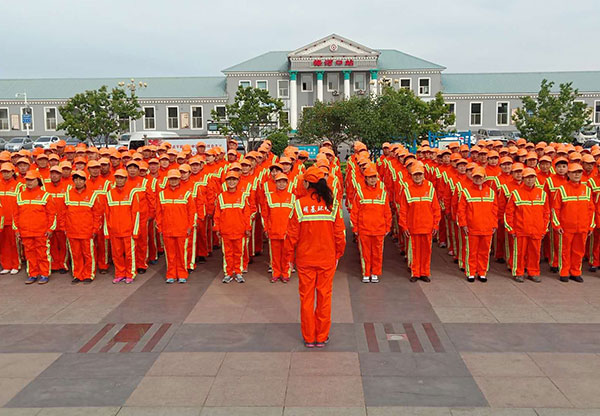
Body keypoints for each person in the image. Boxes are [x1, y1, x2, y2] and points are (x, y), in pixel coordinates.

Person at [285, 166, 345, 348]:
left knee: (306, 299)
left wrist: (289, 259)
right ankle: (322, 336)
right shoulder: (332, 205)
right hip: (327, 258)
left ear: (306, 183)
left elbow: (291, 236)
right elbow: (340, 234)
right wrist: (338, 253)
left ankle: (309, 337)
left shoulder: (299, 205)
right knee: (325, 297)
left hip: (305, 259)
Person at [504, 168, 550, 282]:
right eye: (527, 178)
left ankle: (533, 272)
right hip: (521, 230)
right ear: (523, 179)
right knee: (519, 253)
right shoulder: (516, 193)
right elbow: (509, 213)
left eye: (532, 177)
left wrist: (544, 229)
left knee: (535, 253)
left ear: (535, 178)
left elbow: (546, 213)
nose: (530, 180)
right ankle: (518, 272)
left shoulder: (542, 194)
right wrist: (511, 229)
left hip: (537, 230)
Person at [397, 161, 441, 282]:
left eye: (420, 174)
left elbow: (436, 208)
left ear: (423, 175)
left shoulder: (430, 187)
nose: (417, 177)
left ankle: (425, 272)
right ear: (411, 175)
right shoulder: (407, 189)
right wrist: (404, 226)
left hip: (427, 226)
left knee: (426, 251)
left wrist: (436, 225)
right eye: (415, 174)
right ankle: (415, 273)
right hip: (413, 227)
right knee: (414, 251)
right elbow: (403, 210)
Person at [552, 163, 595, 283]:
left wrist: (591, 226)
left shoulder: (587, 190)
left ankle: (576, 272)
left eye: (579, 172)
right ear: (568, 174)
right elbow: (555, 209)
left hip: (582, 227)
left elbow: (591, 210)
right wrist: (557, 225)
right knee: (565, 251)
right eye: (574, 172)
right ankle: (564, 272)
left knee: (579, 251)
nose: (577, 175)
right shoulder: (561, 190)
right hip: (566, 228)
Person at [351, 163, 392, 283]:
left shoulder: (382, 193)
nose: (373, 179)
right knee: (365, 252)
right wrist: (355, 228)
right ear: (365, 178)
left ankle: (375, 273)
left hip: (379, 229)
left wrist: (387, 227)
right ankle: (366, 273)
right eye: (370, 177)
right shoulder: (360, 192)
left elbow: (387, 212)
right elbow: (354, 212)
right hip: (364, 229)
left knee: (378, 253)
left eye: (374, 177)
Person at [13, 171, 56, 284]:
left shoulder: (46, 195)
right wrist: (16, 229)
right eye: (27, 180)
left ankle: (44, 274)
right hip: (25, 232)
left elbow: (52, 214)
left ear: (38, 181)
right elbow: (15, 215)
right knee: (29, 254)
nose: (29, 182)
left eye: (32, 180)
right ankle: (32, 274)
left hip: (41, 232)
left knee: (42, 253)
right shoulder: (20, 195)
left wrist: (50, 229)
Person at [458, 167, 498, 283]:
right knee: (471, 251)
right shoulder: (466, 192)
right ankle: (470, 272)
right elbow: (461, 210)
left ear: (485, 178)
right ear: (472, 177)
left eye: (480, 177)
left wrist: (494, 224)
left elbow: (495, 210)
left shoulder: (491, 192)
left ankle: (482, 272)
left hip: (487, 228)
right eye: (475, 177)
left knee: (485, 252)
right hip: (472, 227)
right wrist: (464, 224)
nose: (478, 179)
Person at [155, 169, 195, 284]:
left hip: (182, 229)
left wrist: (190, 227)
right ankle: (171, 274)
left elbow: (191, 212)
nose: (173, 181)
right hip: (167, 230)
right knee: (170, 254)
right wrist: (160, 228)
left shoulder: (186, 193)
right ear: (168, 180)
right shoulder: (162, 194)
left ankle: (182, 274)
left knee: (182, 253)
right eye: (171, 179)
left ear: (179, 179)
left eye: (175, 179)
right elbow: (158, 213)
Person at [63, 170, 103, 284]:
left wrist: (95, 229)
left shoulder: (92, 194)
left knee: (88, 254)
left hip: (87, 231)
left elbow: (97, 214)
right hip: (72, 231)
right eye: (76, 179)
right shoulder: (68, 194)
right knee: (75, 254)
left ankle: (89, 274)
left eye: (80, 179)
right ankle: (77, 274)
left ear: (85, 181)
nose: (78, 181)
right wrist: (64, 228)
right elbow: (63, 213)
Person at [213, 170, 251, 283]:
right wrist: (217, 228)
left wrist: (247, 228)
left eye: (234, 179)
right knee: (227, 253)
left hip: (239, 230)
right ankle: (228, 273)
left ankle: (238, 272)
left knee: (239, 252)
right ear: (226, 181)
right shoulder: (221, 197)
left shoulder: (243, 196)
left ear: (238, 181)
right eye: (229, 180)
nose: (231, 182)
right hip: (226, 231)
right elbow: (217, 215)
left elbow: (247, 214)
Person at [104, 169, 141, 284]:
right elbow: (106, 214)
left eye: (122, 178)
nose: (119, 180)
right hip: (114, 231)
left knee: (130, 254)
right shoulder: (109, 194)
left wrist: (135, 231)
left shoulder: (132, 193)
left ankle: (130, 274)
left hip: (128, 231)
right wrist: (107, 232)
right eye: (117, 178)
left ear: (126, 179)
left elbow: (136, 213)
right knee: (117, 254)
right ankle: (120, 273)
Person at [262, 172, 295, 283]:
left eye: (283, 182)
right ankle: (276, 273)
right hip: (274, 231)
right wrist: (266, 228)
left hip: (287, 232)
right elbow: (265, 215)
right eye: (279, 182)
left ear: (287, 183)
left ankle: (285, 274)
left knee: (287, 254)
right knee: (275, 255)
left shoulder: (292, 197)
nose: (281, 184)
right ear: (275, 183)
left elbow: (294, 217)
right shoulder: (269, 197)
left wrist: (293, 231)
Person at [0, 163, 21, 274]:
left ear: (13, 172)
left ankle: (16, 265)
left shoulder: (19, 185)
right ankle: (6, 265)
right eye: (3, 172)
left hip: (13, 219)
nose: (6, 174)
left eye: (8, 172)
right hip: (1, 220)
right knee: (3, 244)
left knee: (14, 244)